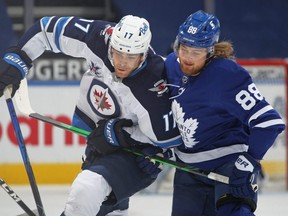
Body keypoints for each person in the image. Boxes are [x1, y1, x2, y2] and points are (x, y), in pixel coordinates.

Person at [0, 15, 183, 215]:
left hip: (136, 153)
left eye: (131, 57)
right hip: (98, 138)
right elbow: (46, 29)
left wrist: (122, 135)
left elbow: (166, 139)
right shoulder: (99, 37)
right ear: (111, 42)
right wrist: (18, 59)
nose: (121, 62)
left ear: (143, 54)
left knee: (86, 189)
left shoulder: (153, 87)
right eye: (118, 52)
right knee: (105, 206)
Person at [165, 10, 285, 216]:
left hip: (228, 166)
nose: (187, 58)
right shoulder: (169, 66)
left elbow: (269, 123)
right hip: (187, 170)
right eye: (184, 49)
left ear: (210, 51)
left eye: (196, 52)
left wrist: (249, 161)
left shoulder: (226, 75)